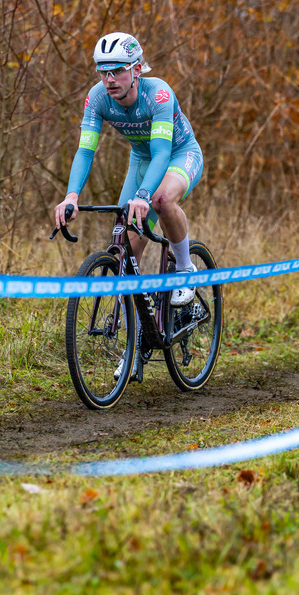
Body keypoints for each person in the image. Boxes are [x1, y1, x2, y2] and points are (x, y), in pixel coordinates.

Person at [54, 32, 203, 379]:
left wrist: (144, 195)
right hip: (142, 160)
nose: (109, 79)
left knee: (162, 200)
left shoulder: (159, 93)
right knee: (123, 252)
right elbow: (85, 150)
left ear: (136, 70)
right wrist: (71, 195)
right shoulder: (96, 99)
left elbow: (164, 152)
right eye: (103, 71)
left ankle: (184, 269)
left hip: (180, 153)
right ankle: (140, 339)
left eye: (117, 70)